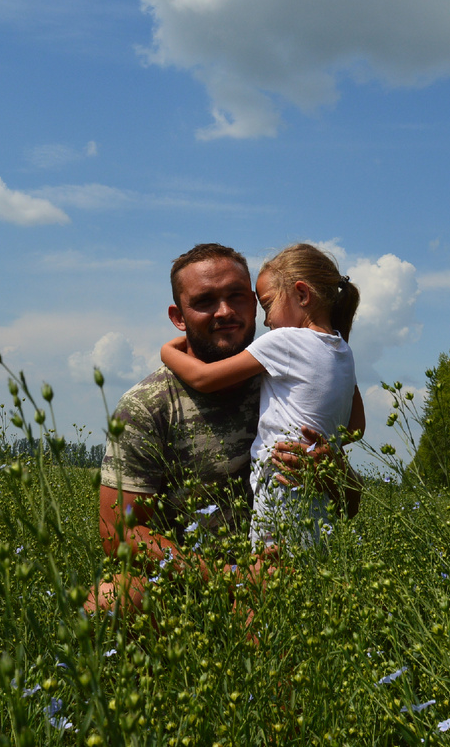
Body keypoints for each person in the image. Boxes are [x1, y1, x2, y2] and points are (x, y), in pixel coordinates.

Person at [88, 243, 359, 615]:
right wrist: (230, 577)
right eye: (204, 301)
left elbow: (351, 502)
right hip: (187, 583)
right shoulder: (147, 405)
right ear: (178, 316)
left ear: (253, 301)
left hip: (281, 573)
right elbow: (118, 531)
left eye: (238, 297)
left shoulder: (289, 382)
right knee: (111, 600)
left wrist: (337, 475)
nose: (226, 311)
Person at [161, 243, 364, 551]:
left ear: (302, 294)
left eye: (268, 305)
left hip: (282, 491)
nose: (267, 320)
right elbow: (356, 427)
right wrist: (320, 448)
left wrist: (167, 351)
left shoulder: (284, 341)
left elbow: (204, 379)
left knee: (269, 579)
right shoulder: (343, 351)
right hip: (319, 504)